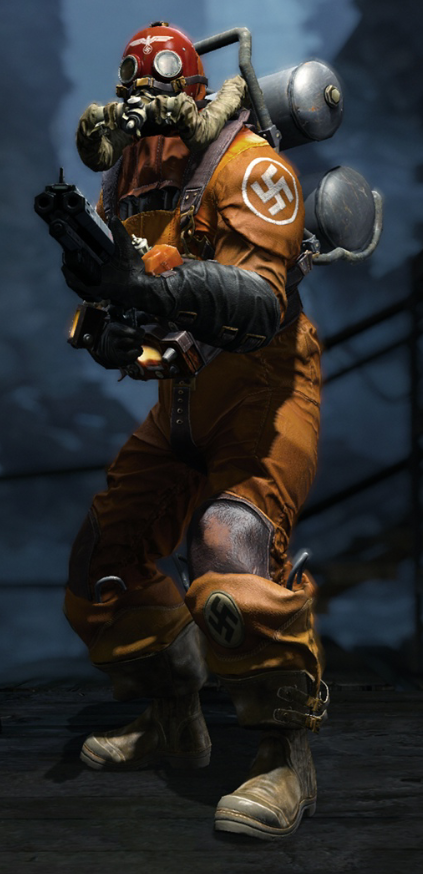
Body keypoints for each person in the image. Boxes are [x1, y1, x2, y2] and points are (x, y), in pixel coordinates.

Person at [63, 21, 328, 840]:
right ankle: (173, 715)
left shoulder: (250, 166)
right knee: (104, 562)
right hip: (178, 400)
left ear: (193, 94)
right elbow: (115, 299)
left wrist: (152, 288)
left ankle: (283, 755)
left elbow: (258, 302)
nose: (142, 114)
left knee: (228, 545)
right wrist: (107, 329)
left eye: (159, 89)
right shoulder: (123, 187)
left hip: (262, 392)